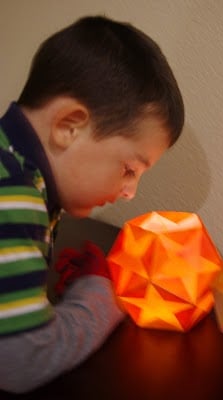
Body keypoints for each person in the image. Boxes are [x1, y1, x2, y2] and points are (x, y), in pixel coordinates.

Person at [0, 15, 184, 393]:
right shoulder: (14, 195)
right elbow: (20, 361)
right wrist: (98, 293)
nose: (130, 191)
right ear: (69, 126)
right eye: (130, 168)